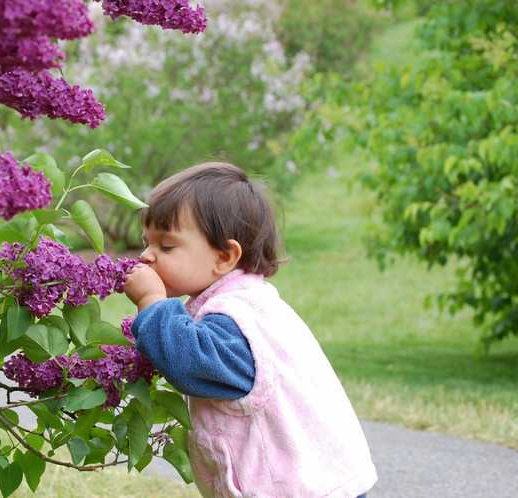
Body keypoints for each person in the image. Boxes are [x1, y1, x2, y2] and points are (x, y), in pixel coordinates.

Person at [124, 162, 377, 498]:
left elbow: (188, 363)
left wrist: (152, 301)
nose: (146, 256)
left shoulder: (235, 320)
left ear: (225, 256)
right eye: (146, 243)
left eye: (166, 246)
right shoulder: (249, 302)